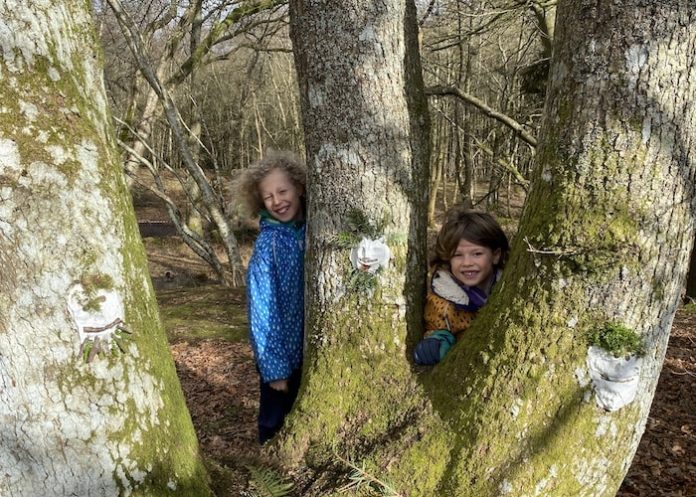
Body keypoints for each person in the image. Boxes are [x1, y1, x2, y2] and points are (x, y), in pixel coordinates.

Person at [237, 151, 306, 444]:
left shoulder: (305, 230)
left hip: (306, 351)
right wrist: (274, 368)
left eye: (282, 191)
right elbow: (262, 311)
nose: (277, 201)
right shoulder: (268, 245)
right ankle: (269, 465)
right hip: (279, 357)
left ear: (300, 188)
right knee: (274, 420)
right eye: (268, 197)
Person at [414, 207, 509, 365]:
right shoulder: (443, 303)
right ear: (448, 259)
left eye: (477, 254)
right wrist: (437, 342)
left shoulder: (510, 285)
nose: (467, 263)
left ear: (495, 255)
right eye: (458, 255)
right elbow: (436, 327)